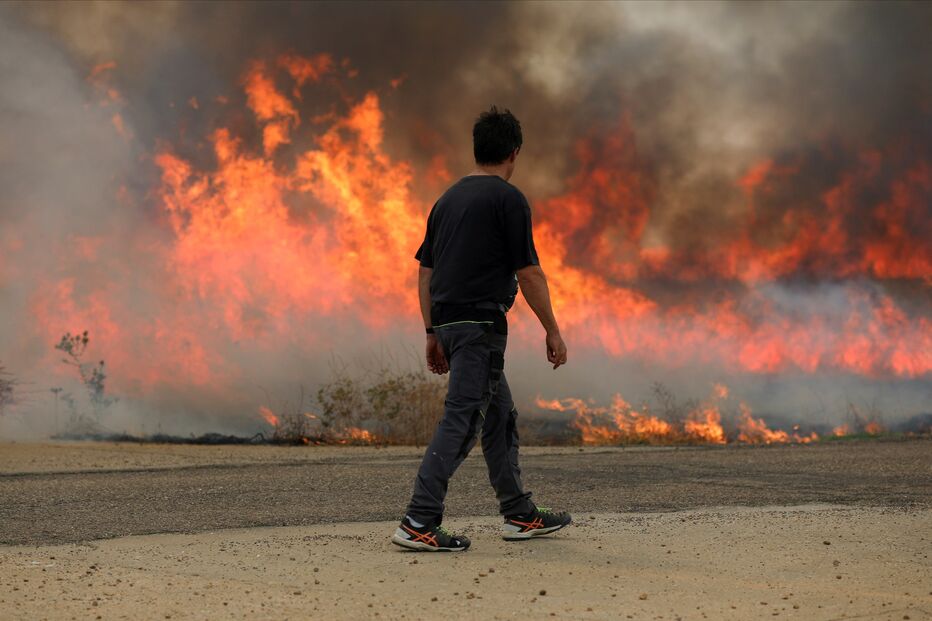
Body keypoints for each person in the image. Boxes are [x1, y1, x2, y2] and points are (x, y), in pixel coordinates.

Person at [392, 106, 571, 552]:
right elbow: (528, 272)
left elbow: (425, 273)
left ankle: (519, 514)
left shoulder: (447, 200)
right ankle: (419, 519)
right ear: (514, 153)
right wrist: (552, 328)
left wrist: (432, 332)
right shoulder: (508, 199)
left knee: (498, 415)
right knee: (464, 418)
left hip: (452, 325)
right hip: (478, 328)